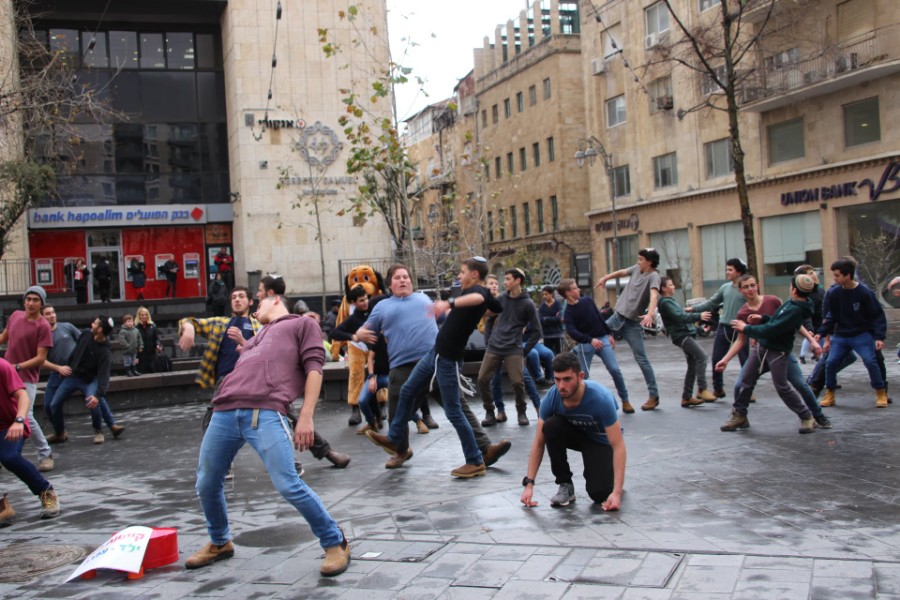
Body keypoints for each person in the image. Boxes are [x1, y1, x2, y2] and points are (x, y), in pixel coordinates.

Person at [185, 293, 350, 576]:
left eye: (258, 302)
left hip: (265, 411)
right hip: (224, 411)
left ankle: (335, 541)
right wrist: (244, 346)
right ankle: (220, 541)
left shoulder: (301, 323)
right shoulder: (256, 337)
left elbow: (314, 368)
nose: (254, 306)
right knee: (206, 483)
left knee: (288, 484)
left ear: (275, 300)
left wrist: (306, 416)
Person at [356, 263, 512, 472]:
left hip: (441, 358)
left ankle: (480, 452)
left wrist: (451, 305)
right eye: (398, 278)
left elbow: (473, 306)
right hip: (411, 362)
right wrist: (359, 334)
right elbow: (360, 330)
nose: (403, 280)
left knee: (456, 408)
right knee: (403, 396)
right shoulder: (382, 306)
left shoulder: (426, 298)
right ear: (390, 284)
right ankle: (398, 446)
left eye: (406, 277)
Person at [254, 276, 351, 469]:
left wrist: (307, 414)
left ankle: (307, 456)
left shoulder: (287, 321)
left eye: (260, 290)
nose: (257, 294)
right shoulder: (259, 317)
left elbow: (314, 366)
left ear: (271, 295)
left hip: (271, 385)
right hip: (245, 382)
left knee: (286, 415)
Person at [715, 274, 830, 427]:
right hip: (762, 349)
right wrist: (725, 359)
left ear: (757, 285)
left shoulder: (775, 301)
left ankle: (816, 415)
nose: (750, 289)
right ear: (740, 291)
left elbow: (783, 325)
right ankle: (739, 415)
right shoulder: (744, 312)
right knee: (742, 384)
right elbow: (742, 339)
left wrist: (812, 341)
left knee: (798, 385)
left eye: (752, 285)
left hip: (779, 351)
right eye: (746, 287)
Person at [520, 352, 625, 510]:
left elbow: (618, 445)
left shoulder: (601, 398)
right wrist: (529, 484)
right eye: (557, 379)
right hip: (576, 436)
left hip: (600, 441)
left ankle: (608, 477)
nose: (561, 386)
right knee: (550, 426)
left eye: (567, 379)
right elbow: (538, 443)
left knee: (600, 494)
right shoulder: (552, 397)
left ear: (580, 376)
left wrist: (616, 492)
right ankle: (565, 484)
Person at [595, 248, 662, 411]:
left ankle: (654, 396)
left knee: (641, 358)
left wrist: (650, 314)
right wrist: (605, 277)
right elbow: (621, 272)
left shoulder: (653, 276)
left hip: (632, 323)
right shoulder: (636, 270)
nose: (638, 262)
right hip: (617, 317)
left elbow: (654, 295)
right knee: (591, 338)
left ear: (649, 262)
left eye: (640, 259)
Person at [819, 257, 888, 408]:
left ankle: (880, 392)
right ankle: (830, 393)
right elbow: (831, 316)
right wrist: (822, 333)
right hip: (842, 335)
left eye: (837, 275)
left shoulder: (864, 292)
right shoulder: (834, 293)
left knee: (870, 361)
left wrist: (879, 337)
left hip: (861, 334)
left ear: (847, 275)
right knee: (830, 363)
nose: (834, 279)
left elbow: (877, 315)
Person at [477, 268, 542, 427]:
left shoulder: (527, 303)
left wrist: (524, 351)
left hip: (513, 348)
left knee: (518, 382)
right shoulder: (501, 299)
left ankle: (521, 411)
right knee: (482, 379)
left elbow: (537, 331)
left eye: (507, 279)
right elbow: (490, 319)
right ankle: (490, 412)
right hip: (494, 347)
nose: (504, 282)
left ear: (517, 281)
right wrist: (489, 340)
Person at [45, 316, 125, 444]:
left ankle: (98, 431)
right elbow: (76, 351)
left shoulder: (104, 351)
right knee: (54, 404)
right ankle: (60, 432)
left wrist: (97, 395)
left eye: (94, 323)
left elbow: (104, 376)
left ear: (99, 329)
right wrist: (69, 365)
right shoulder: (86, 334)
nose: (91, 324)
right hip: (73, 376)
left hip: (89, 379)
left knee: (93, 402)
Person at [0, 357, 60, 525]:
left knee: (9, 457)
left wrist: (19, 420)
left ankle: (46, 491)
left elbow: (23, 396)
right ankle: (3, 508)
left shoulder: (3, 367)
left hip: (10, 423)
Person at [0, 286, 53, 471]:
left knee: (26, 415)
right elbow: (4, 337)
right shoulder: (15, 316)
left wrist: (17, 366)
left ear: (41, 303)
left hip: (26, 376)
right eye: (28, 299)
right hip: (7, 374)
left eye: (35, 300)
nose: (31, 303)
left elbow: (41, 358)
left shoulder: (43, 326)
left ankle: (45, 453)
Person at [557, 278, 631, 412]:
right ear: (568, 293)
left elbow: (599, 318)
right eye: (575, 288)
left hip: (602, 338)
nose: (578, 289)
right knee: (583, 376)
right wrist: (590, 340)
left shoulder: (588, 301)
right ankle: (583, 404)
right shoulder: (568, 313)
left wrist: (609, 334)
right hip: (586, 343)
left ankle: (625, 400)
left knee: (614, 369)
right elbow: (572, 332)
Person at [686, 258, 749, 398]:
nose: (727, 272)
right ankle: (718, 388)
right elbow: (711, 303)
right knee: (717, 358)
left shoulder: (746, 289)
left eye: (730, 269)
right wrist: (693, 309)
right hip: (724, 327)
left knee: (745, 360)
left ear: (738, 272)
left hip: (742, 328)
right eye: (726, 269)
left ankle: (747, 390)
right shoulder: (725, 288)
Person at [656, 277, 716, 408]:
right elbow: (680, 317)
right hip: (682, 336)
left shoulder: (671, 301)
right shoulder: (665, 303)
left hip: (685, 334)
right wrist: (698, 316)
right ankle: (702, 389)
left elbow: (683, 320)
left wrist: (700, 329)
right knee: (702, 357)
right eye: (671, 284)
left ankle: (687, 397)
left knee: (693, 365)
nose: (673, 286)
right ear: (663, 288)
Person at [328, 286, 374, 427]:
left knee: (379, 375)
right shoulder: (353, 318)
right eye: (361, 301)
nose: (365, 302)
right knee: (355, 375)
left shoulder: (375, 309)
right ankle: (355, 408)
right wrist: (352, 336)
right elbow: (334, 332)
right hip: (357, 347)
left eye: (366, 299)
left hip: (376, 350)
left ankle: (382, 405)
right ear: (354, 302)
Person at [40, 305, 82, 430]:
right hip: (56, 373)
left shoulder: (67, 326)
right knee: (48, 405)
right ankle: (60, 432)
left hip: (76, 370)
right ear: (42, 317)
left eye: (53, 312)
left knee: (94, 396)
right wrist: (58, 368)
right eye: (47, 314)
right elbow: (41, 361)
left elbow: (83, 342)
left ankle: (107, 426)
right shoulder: (41, 335)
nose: (52, 315)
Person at [794, 265, 824, 364]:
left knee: (817, 337)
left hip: (820, 319)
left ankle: (816, 355)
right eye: (810, 273)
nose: (814, 274)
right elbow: (807, 312)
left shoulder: (819, 289)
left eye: (813, 272)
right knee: (811, 336)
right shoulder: (805, 294)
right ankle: (804, 356)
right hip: (813, 321)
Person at [134, 306, 160, 375]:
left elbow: (156, 338)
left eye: (146, 314)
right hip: (140, 355)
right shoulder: (135, 328)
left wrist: (157, 344)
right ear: (139, 316)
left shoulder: (152, 326)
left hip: (151, 354)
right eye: (142, 315)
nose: (144, 316)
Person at [538, 285, 564, 354]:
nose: (544, 296)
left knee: (559, 354)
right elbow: (540, 320)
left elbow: (559, 319)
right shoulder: (542, 306)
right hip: (546, 335)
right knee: (548, 354)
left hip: (557, 334)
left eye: (546, 294)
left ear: (551, 294)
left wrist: (546, 319)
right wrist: (553, 319)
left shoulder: (558, 305)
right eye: (543, 294)